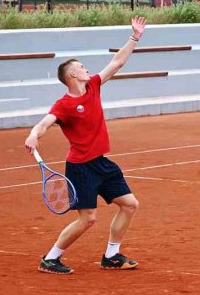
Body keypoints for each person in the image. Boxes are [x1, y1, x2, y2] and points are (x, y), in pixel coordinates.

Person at [24, 16, 147, 275]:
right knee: (88, 218)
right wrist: (34, 134)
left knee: (130, 204)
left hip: (101, 163)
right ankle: (50, 258)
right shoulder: (64, 104)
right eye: (81, 67)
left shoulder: (93, 86)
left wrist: (134, 37)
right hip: (81, 168)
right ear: (72, 74)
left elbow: (117, 62)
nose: (86, 69)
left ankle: (111, 256)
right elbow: (45, 122)